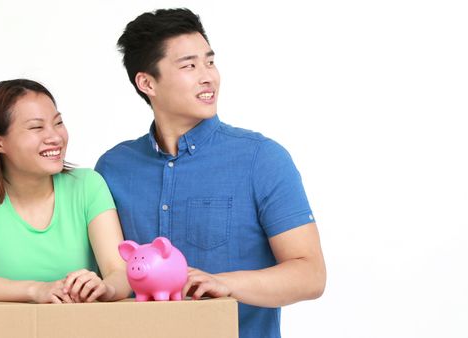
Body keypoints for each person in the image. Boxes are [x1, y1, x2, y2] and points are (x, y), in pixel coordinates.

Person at [95, 8, 326, 337]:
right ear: (147, 82)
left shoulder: (261, 158)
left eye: (209, 62)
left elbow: (311, 275)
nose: (208, 77)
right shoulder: (113, 168)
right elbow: (110, 272)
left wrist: (224, 284)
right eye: (189, 65)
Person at [0, 79, 131, 304]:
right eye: (36, 127)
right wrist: (38, 290)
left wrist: (106, 288)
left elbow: (119, 271)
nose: (55, 137)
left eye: (58, 123)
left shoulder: (87, 185)